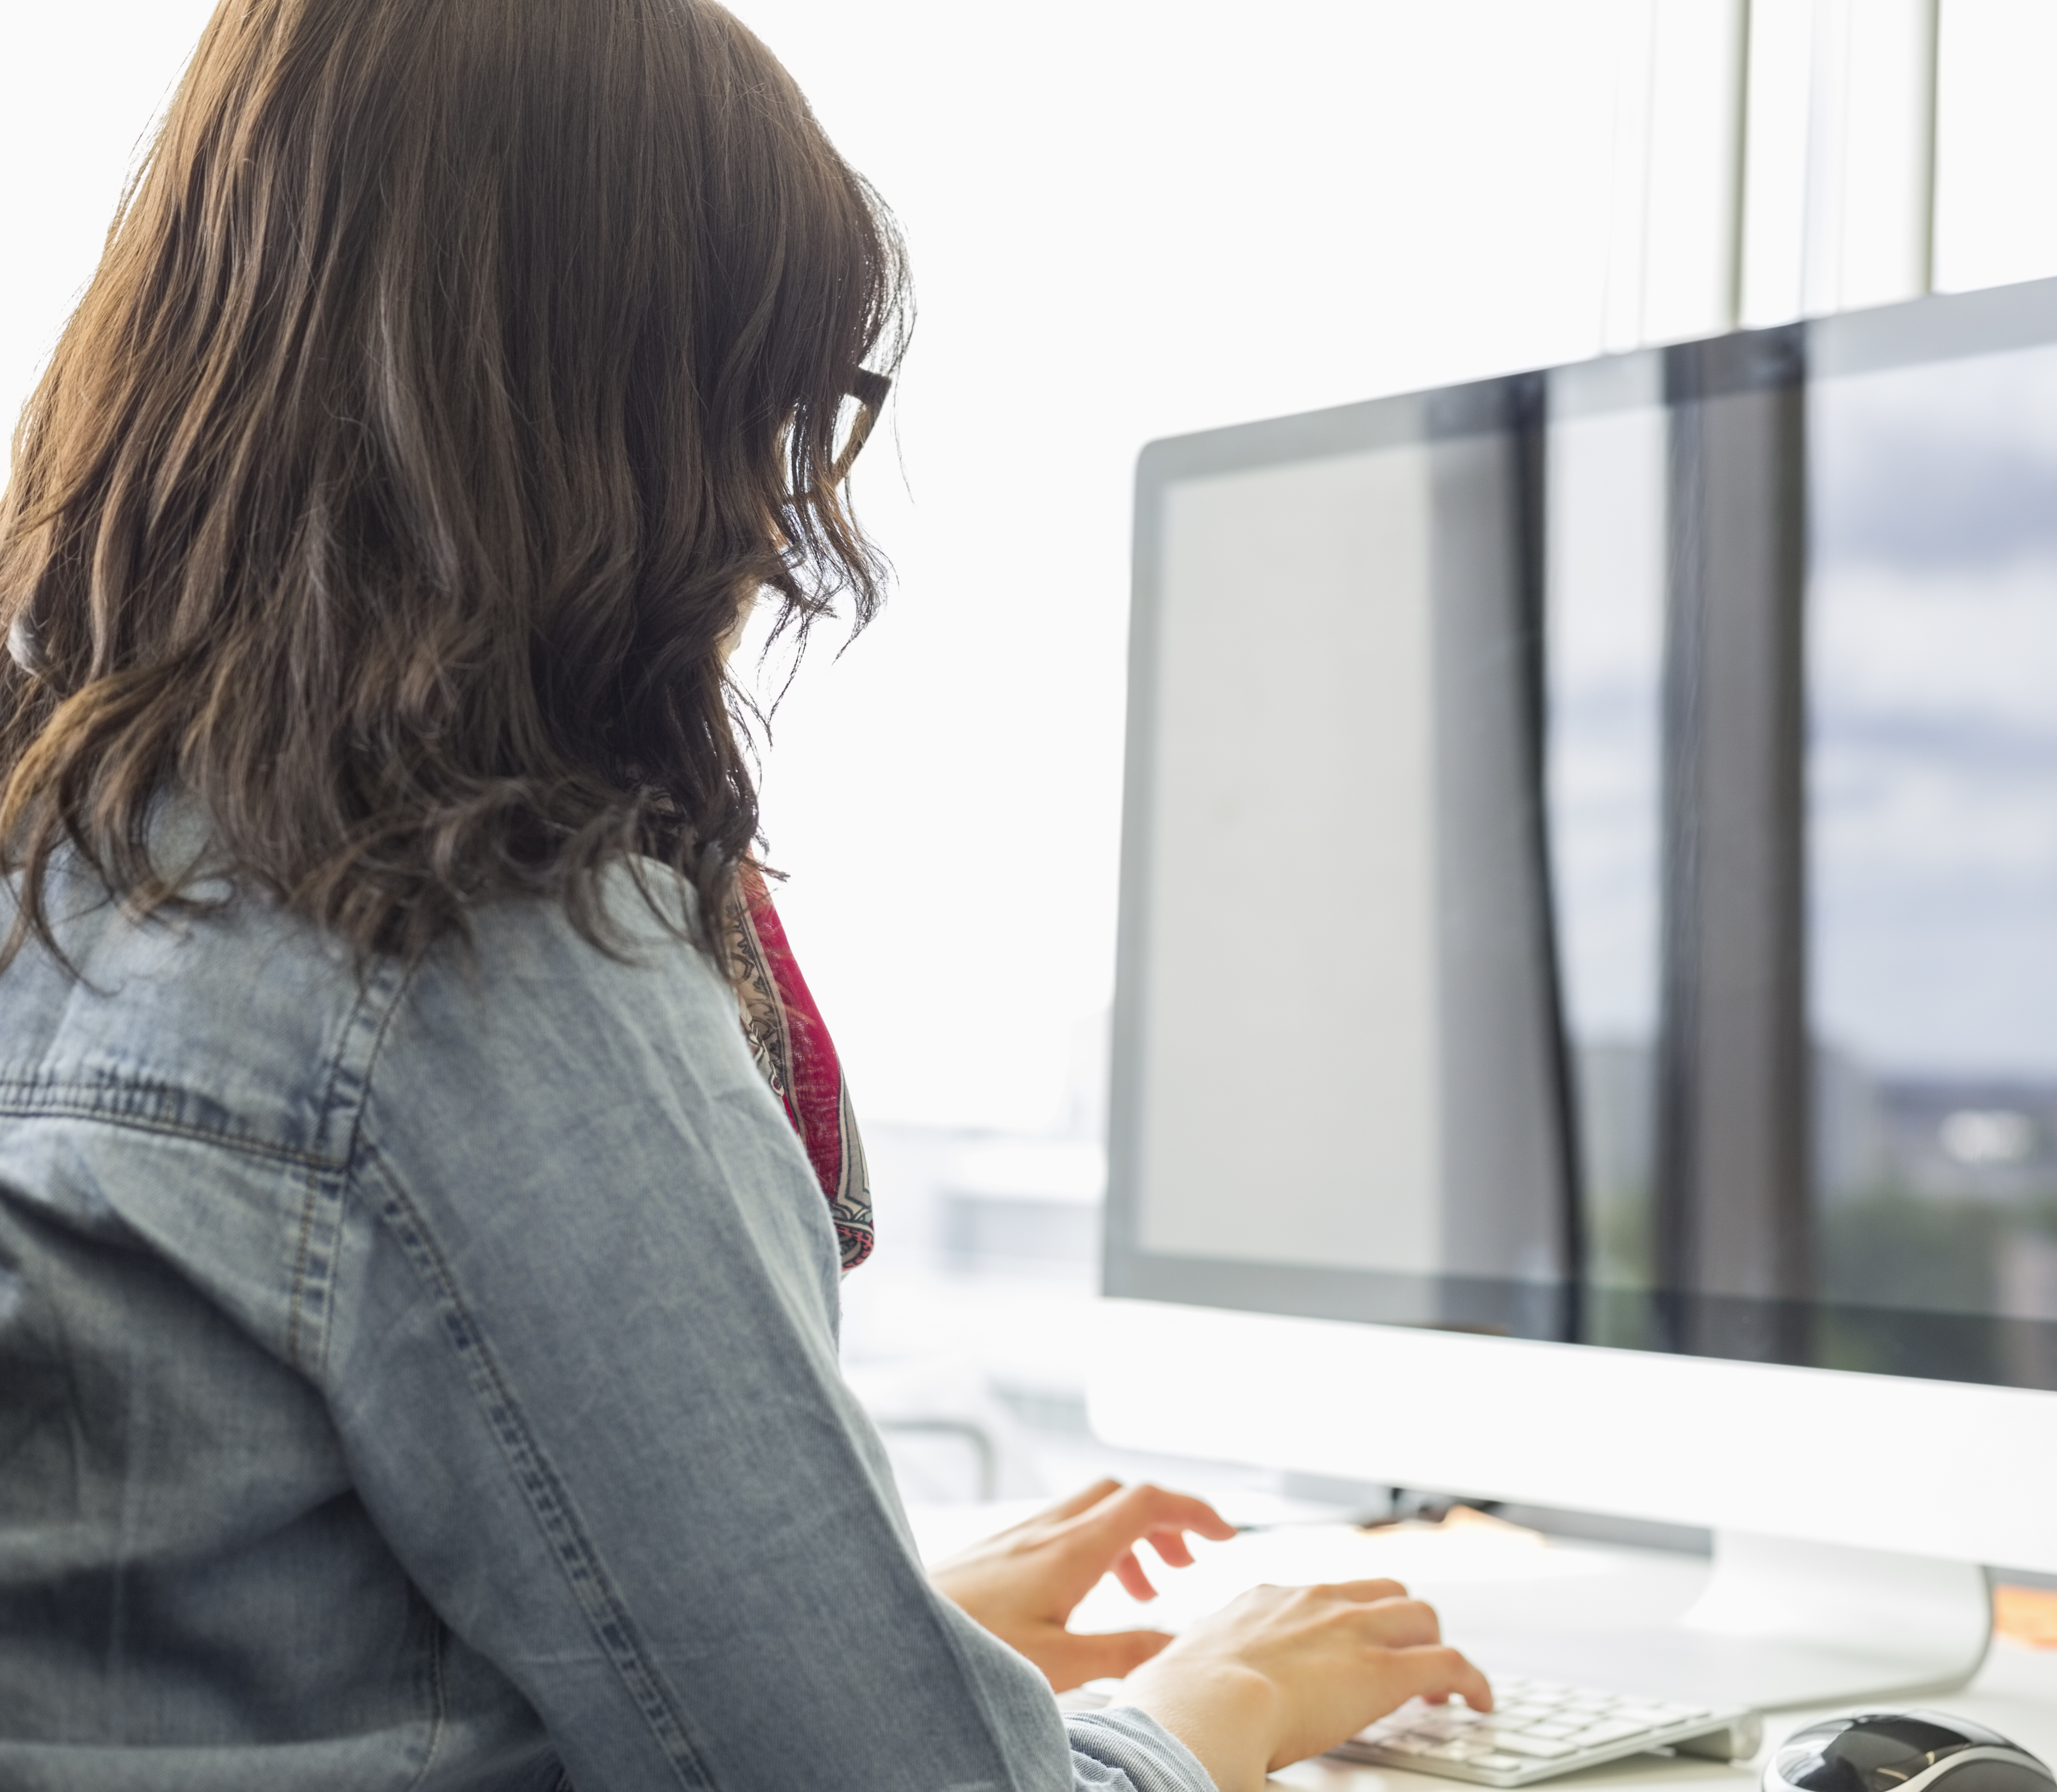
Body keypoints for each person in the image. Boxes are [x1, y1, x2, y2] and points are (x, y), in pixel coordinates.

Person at [0, 2, 1490, 1789]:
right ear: (630, 421)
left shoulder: (71, 856)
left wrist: (868, 1622)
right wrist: (1209, 1700)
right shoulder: (454, 952)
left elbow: (238, 1629)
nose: (783, 522)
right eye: (784, 408)